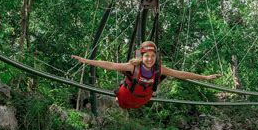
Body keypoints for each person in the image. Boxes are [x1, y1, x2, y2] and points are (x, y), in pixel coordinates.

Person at [72, 41, 221, 109]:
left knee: (139, 100)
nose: (150, 59)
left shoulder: (159, 69)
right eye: (146, 56)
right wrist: (85, 60)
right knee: (121, 99)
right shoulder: (133, 67)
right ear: (142, 56)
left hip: (142, 100)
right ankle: (116, 98)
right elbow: (110, 65)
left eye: (152, 56)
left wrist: (205, 77)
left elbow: (181, 74)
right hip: (126, 97)